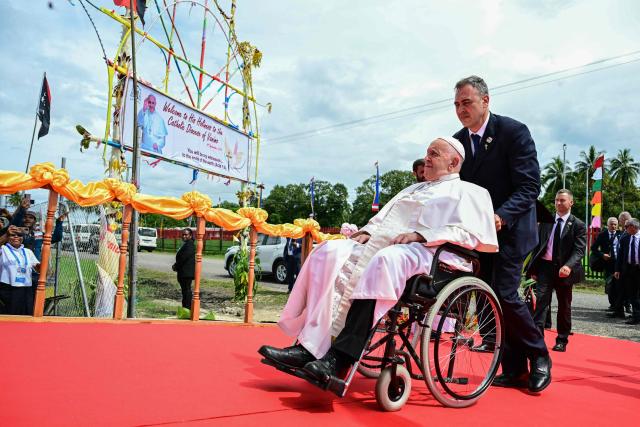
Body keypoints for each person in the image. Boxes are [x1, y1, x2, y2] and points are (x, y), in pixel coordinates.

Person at [258, 137, 498, 380]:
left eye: (434, 154)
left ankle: (340, 357)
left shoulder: (469, 192)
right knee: (328, 252)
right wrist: (367, 232)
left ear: (453, 162)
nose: (427, 158)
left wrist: (421, 235)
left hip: (432, 255)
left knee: (384, 260)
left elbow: (470, 235)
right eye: (427, 152)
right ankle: (307, 346)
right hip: (389, 246)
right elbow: (383, 220)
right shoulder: (412, 189)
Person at [452, 75, 551, 392]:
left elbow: (529, 187)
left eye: (466, 102)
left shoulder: (513, 132)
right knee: (487, 300)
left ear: (486, 100)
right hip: (477, 236)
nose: (461, 109)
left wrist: (501, 216)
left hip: (510, 231)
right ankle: (512, 368)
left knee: (505, 294)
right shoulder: (457, 141)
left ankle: (539, 357)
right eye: (456, 104)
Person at [527, 190, 586, 352]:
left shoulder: (578, 225)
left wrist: (569, 265)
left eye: (562, 200)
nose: (558, 203)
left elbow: (579, 250)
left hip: (564, 270)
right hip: (545, 268)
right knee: (541, 304)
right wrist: (534, 268)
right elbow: (538, 245)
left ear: (571, 203)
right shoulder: (546, 221)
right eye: (556, 200)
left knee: (564, 305)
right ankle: (537, 338)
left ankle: (562, 339)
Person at [0, 230, 40, 315]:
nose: (16, 237)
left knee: (27, 314)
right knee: (11, 315)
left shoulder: (28, 252)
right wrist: (7, 233)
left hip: (26, 288)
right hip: (9, 288)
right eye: (12, 235)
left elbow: (38, 269)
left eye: (19, 235)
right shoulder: (3, 249)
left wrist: (43, 262)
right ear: (7, 237)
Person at [614, 218, 640, 325]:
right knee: (632, 294)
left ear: (633, 227)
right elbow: (620, 255)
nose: (625, 229)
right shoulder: (625, 238)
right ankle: (636, 316)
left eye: (626, 227)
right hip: (628, 269)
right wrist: (617, 270)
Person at [591, 217, 620, 311]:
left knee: (620, 284)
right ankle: (612, 305)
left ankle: (621, 305)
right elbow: (594, 248)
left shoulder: (621, 234)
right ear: (607, 225)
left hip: (618, 263)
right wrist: (602, 255)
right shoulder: (602, 235)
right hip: (607, 264)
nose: (613, 226)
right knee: (610, 284)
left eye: (615, 224)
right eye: (611, 224)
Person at [608, 211, 633, 318]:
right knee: (620, 289)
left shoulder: (631, 232)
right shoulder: (624, 232)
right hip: (622, 266)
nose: (620, 223)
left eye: (620, 221)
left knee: (631, 290)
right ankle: (619, 310)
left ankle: (631, 311)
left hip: (629, 267)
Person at [172, 228, 195, 309]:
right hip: (184, 272)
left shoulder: (190, 244)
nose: (184, 236)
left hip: (186, 273)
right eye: (183, 234)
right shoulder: (187, 244)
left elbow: (183, 258)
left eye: (186, 234)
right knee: (185, 291)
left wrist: (176, 266)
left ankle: (187, 307)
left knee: (187, 290)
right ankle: (185, 307)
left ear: (190, 235)